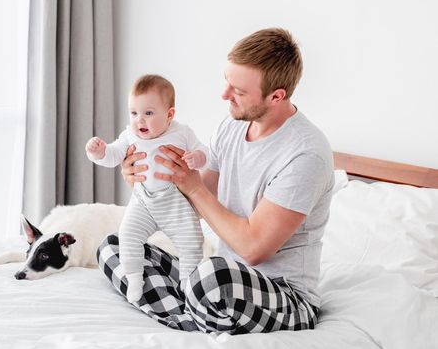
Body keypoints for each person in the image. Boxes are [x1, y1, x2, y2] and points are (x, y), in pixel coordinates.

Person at [97, 28, 334, 334]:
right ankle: (194, 313)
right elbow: (189, 204)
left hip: (284, 296)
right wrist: (146, 183)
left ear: (277, 96)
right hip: (219, 282)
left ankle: (192, 308)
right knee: (113, 247)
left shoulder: (306, 154)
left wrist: (193, 185)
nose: (224, 95)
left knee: (210, 278)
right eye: (227, 82)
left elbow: (252, 248)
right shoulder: (232, 127)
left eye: (239, 91)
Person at [86, 74, 208, 303]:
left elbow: (205, 154)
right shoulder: (129, 136)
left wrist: (197, 157)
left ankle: (187, 286)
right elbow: (112, 156)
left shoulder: (182, 133)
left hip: (175, 202)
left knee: (192, 240)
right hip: (143, 200)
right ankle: (134, 277)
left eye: (148, 113)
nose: (139, 120)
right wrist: (98, 152)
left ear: (169, 114)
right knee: (127, 234)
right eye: (134, 113)